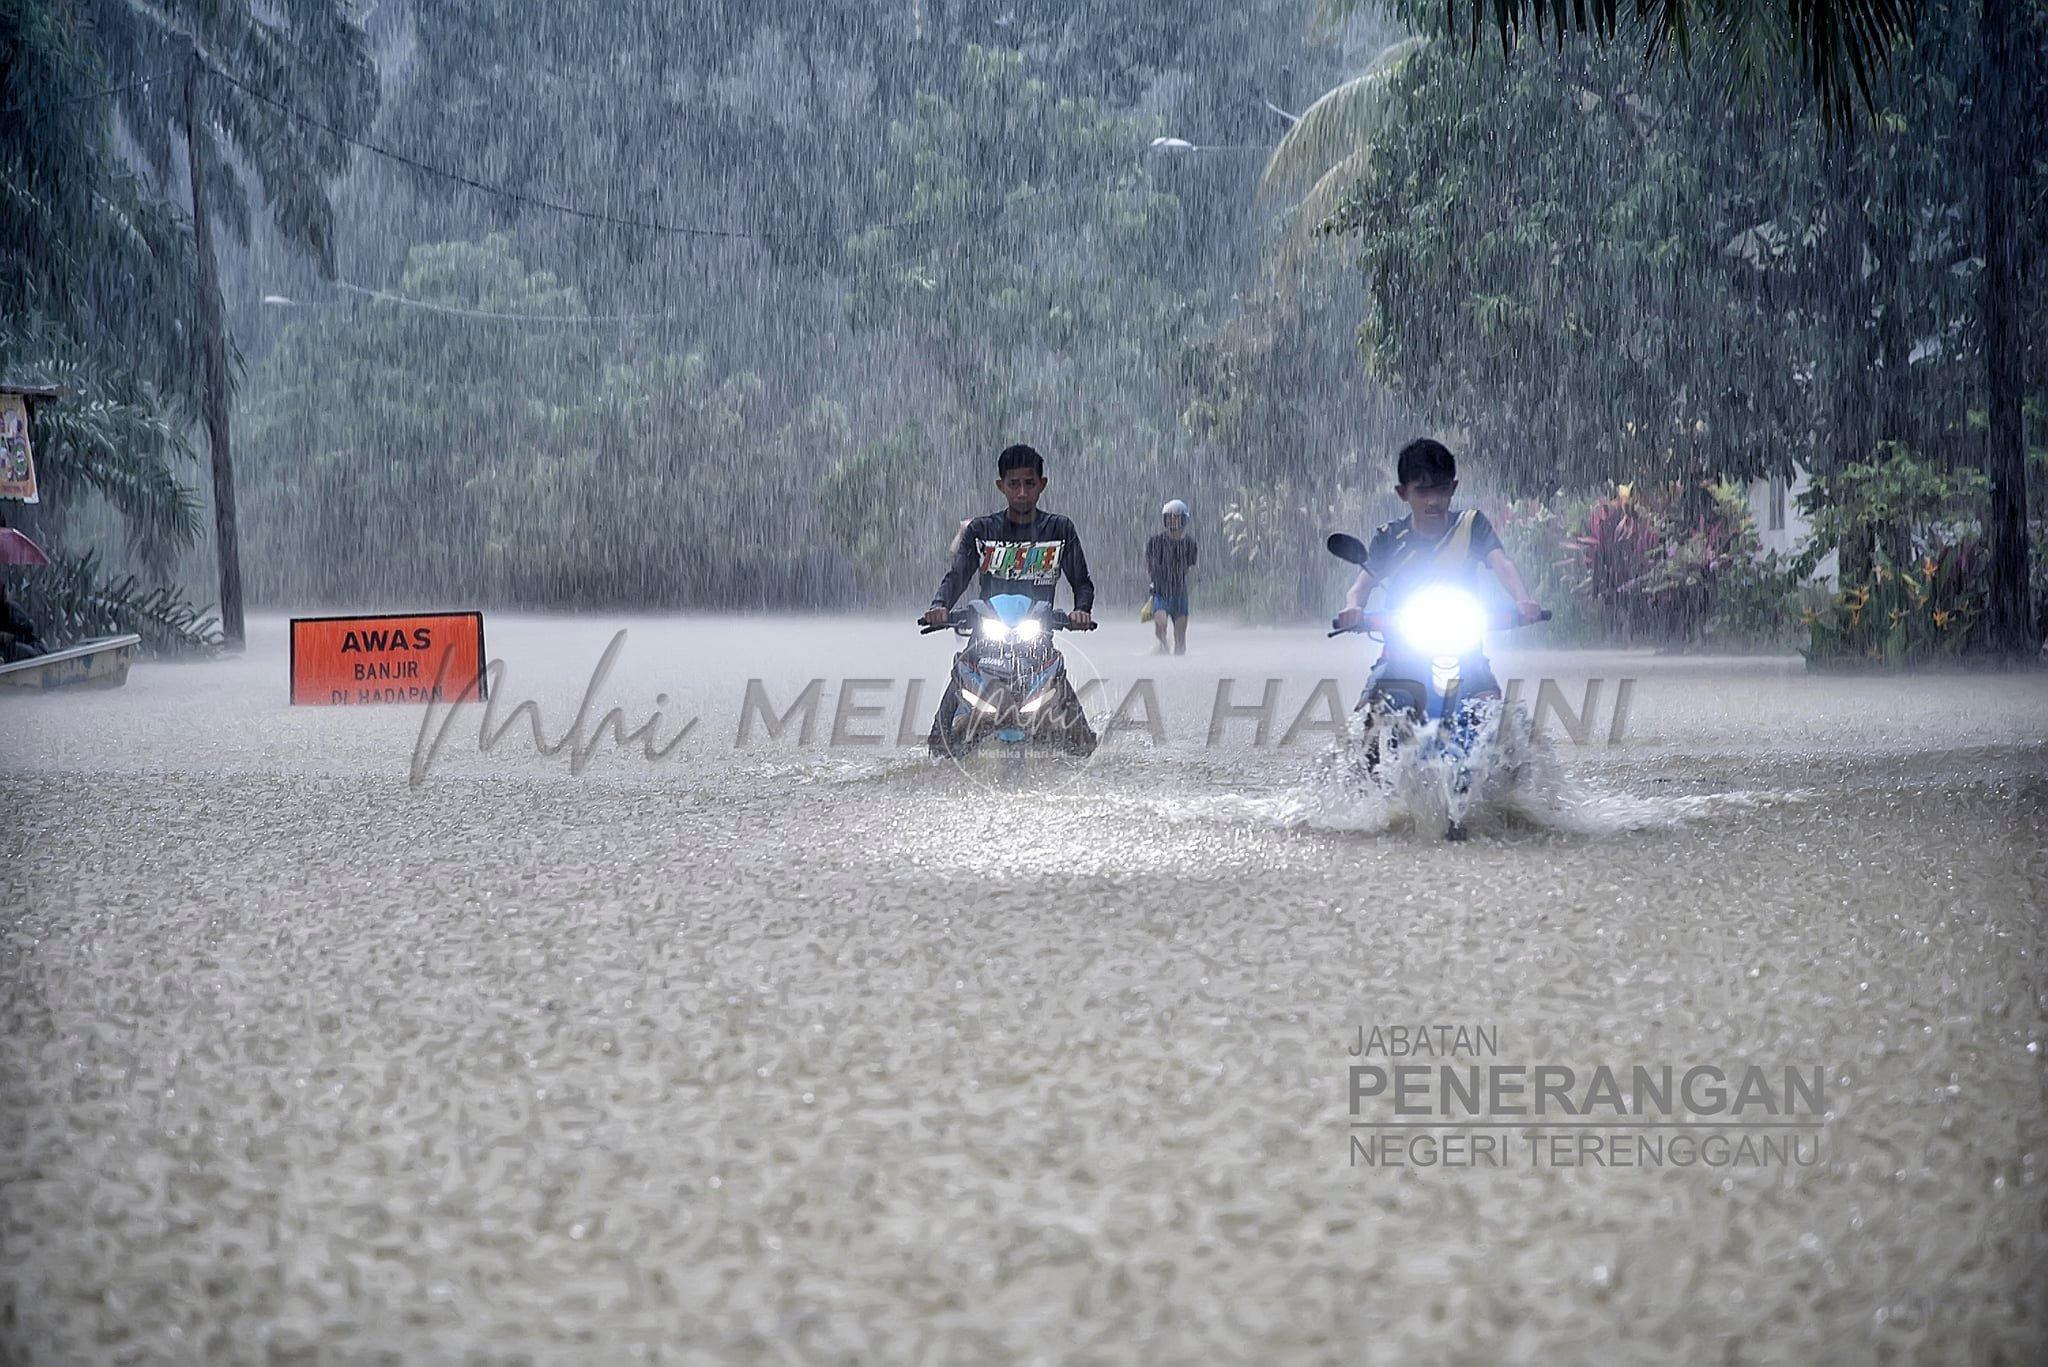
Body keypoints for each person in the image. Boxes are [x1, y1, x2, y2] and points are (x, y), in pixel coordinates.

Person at [1333, 438, 1542, 705]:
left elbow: (1502, 563)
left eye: (1441, 490)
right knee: (1366, 718)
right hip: (1400, 654)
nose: (1433, 500)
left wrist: (1523, 600)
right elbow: (1361, 586)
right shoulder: (1389, 537)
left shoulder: (1472, 525)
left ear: (1453, 487)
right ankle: (1362, 744)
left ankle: (1498, 747)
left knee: (1495, 716)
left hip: (1466, 653)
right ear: (1402, 492)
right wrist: (1353, 609)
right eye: (1422, 491)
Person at [921, 443, 1096, 750]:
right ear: (1001, 486)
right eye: (1013, 484)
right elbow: (957, 576)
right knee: (940, 738)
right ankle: (941, 754)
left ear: (1043, 484)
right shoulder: (982, 530)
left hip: (1038, 644)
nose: (1022, 492)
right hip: (985, 643)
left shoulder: (1059, 528)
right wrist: (939, 606)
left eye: (1030, 484)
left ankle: (1085, 758)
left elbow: (1082, 582)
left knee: (1083, 744)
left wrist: (1082, 611)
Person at [1144, 499, 1198, 655]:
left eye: (1176, 517)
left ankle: (1179, 668)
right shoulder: (1156, 542)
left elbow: (1190, 567)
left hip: (1180, 594)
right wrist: (1155, 580)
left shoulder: (1190, 543)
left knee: (1180, 637)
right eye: (1169, 517)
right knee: (1160, 625)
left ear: (1183, 520)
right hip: (1161, 593)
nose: (1172, 521)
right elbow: (1149, 564)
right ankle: (1163, 649)